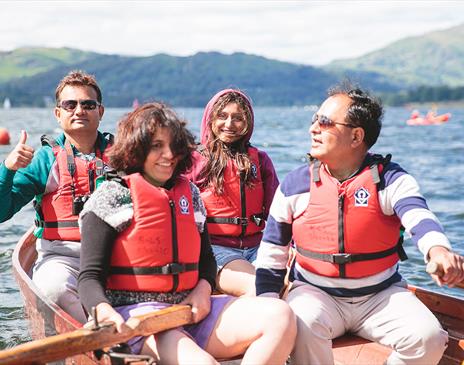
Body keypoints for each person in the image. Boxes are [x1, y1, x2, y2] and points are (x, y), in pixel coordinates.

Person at [255, 83, 464, 365]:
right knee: (300, 323)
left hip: (381, 296)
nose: (313, 128)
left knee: (429, 338)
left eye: (325, 122)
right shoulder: (295, 185)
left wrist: (438, 251)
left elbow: (419, 217)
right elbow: (271, 254)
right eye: (314, 120)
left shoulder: (391, 180)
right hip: (315, 293)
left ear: (356, 136)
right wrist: (268, 305)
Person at [78, 102, 296, 364]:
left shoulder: (190, 194)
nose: (168, 154)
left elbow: (206, 261)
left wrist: (204, 289)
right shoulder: (112, 197)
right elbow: (89, 277)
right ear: (136, 147)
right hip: (141, 319)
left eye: (174, 146)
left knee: (280, 315)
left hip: (190, 310)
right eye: (157, 146)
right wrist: (102, 311)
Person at [0, 70, 112, 323]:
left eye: (88, 104)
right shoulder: (44, 159)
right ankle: (94, 341)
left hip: (115, 256)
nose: (79, 110)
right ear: (58, 113)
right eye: (70, 104)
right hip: (63, 258)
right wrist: (7, 170)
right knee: (55, 290)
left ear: (100, 112)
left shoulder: (124, 156)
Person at [186, 89, 279, 296]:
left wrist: (287, 248)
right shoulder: (194, 160)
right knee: (261, 287)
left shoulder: (261, 160)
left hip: (258, 247)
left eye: (238, 118)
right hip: (216, 250)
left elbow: (277, 212)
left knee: (292, 283)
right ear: (210, 118)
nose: (229, 124)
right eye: (222, 116)